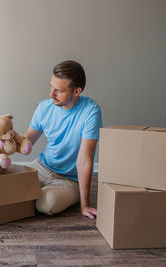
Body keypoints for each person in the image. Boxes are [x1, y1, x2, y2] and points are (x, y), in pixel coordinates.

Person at [24, 60, 102, 219]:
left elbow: (84, 160)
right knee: (8, 186)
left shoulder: (90, 111)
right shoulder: (44, 107)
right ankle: (32, 192)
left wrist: (84, 204)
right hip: (42, 166)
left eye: (58, 90)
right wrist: (6, 143)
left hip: (70, 179)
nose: (51, 94)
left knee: (45, 204)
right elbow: (27, 141)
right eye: (51, 86)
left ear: (76, 91)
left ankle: (43, 195)